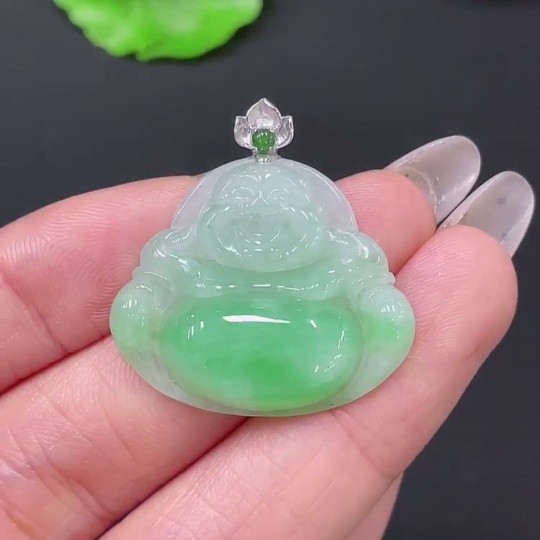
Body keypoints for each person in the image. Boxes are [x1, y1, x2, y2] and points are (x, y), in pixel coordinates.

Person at [0, 136, 533, 539]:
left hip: (316, 343)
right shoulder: (188, 261)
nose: (259, 225)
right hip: (205, 339)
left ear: (314, 221)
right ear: (210, 220)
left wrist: (381, 311)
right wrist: (143, 307)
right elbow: (152, 290)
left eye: (281, 213)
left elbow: (371, 292)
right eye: (242, 211)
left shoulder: (337, 261)